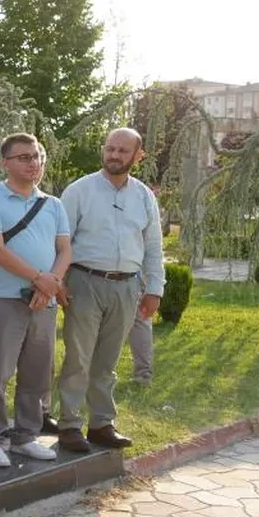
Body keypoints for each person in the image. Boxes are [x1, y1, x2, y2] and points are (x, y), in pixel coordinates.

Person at [56, 128, 164, 452]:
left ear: (137, 156)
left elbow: (153, 247)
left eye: (123, 151)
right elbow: (60, 242)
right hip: (84, 281)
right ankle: (70, 424)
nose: (114, 155)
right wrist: (58, 280)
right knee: (78, 357)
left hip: (127, 287)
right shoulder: (79, 191)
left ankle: (101, 424)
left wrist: (154, 289)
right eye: (110, 149)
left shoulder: (144, 196)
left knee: (108, 361)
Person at [0, 134, 72, 467]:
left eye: (38, 156)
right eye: (25, 157)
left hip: (44, 301)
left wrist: (51, 284)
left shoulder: (54, 204)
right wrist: (38, 278)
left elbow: (65, 250)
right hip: (4, 299)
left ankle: (26, 435)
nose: (34, 163)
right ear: (5, 162)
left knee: (37, 372)